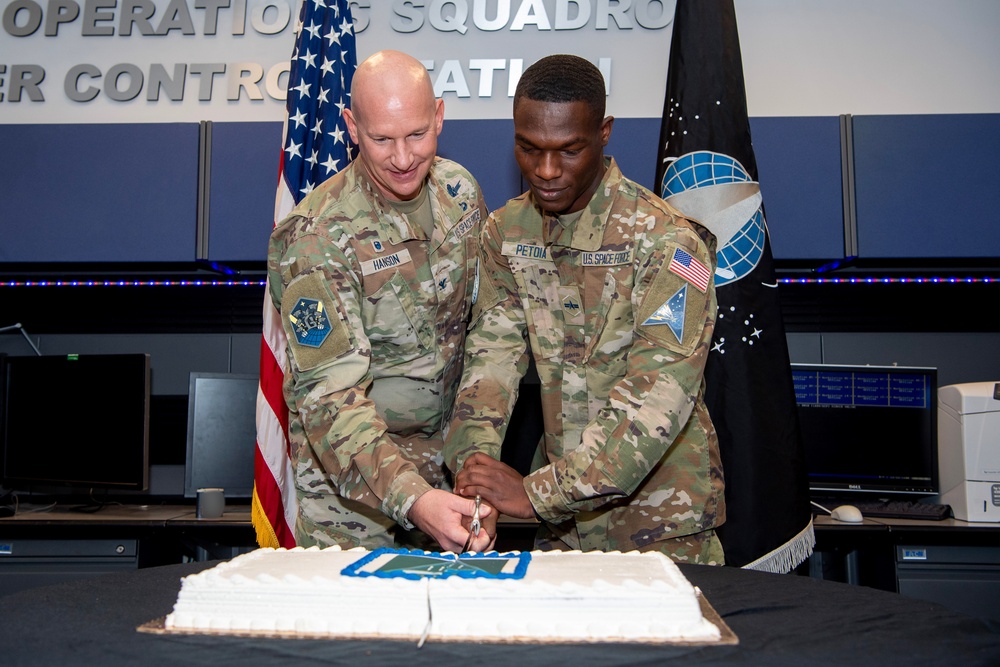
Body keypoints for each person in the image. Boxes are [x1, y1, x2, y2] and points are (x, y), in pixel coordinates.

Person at [444, 54, 726, 563]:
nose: (546, 171)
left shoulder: (668, 244)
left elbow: (654, 404)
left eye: (568, 150)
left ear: (605, 133)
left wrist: (533, 496)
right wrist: (476, 473)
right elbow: (490, 365)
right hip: (561, 532)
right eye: (528, 149)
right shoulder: (507, 232)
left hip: (658, 526)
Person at [267, 50, 492, 554]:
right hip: (351, 482)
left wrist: (476, 460)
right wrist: (413, 499)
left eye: (416, 134)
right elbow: (330, 397)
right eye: (381, 139)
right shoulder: (316, 237)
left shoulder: (461, 192)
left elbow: (484, 334)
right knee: (356, 623)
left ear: (438, 115)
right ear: (351, 126)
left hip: (445, 462)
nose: (403, 157)